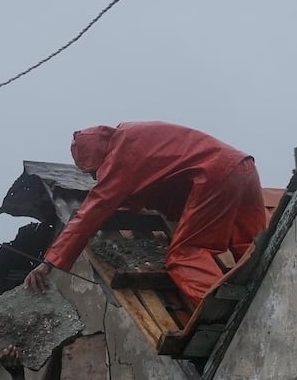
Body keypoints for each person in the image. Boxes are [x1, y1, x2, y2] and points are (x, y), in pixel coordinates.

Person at [23, 121, 267, 305]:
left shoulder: (121, 155)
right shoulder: (140, 143)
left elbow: (92, 212)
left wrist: (49, 263)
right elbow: (170, 199)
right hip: (243, 168)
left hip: (216, 176)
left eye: (93, 173)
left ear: (98, 159)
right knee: (255, 249)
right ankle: (268, 298)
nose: (96, 179)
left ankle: (224, 312)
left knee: (185, 255)